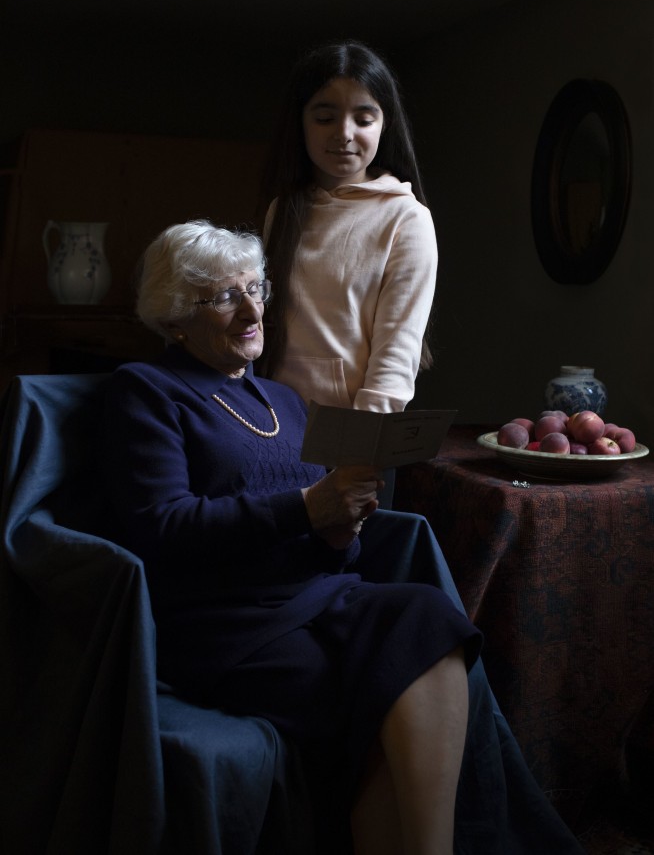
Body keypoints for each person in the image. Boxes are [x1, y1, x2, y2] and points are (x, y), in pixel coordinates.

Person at [101, 220, 585, 855]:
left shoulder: (284, 401)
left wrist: (339, 530)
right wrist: (306, 508)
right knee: (373, 698)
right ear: (175, 318)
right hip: (223, 624)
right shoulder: (146, 392)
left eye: (255, 287)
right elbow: (161, 527)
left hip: (319, 597)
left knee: (426, 615)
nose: (251, 309)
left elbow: (328, 542)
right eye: (223, 296)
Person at [258, 39, 437, 417]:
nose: (344, 133)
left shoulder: (405, 218)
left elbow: (397, 353)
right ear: (301, 121)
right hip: (271, 424)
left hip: (352, 437)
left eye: (363, 118)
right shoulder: (284, 210)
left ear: (384, 124)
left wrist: (359, 450)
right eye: (325, 118)